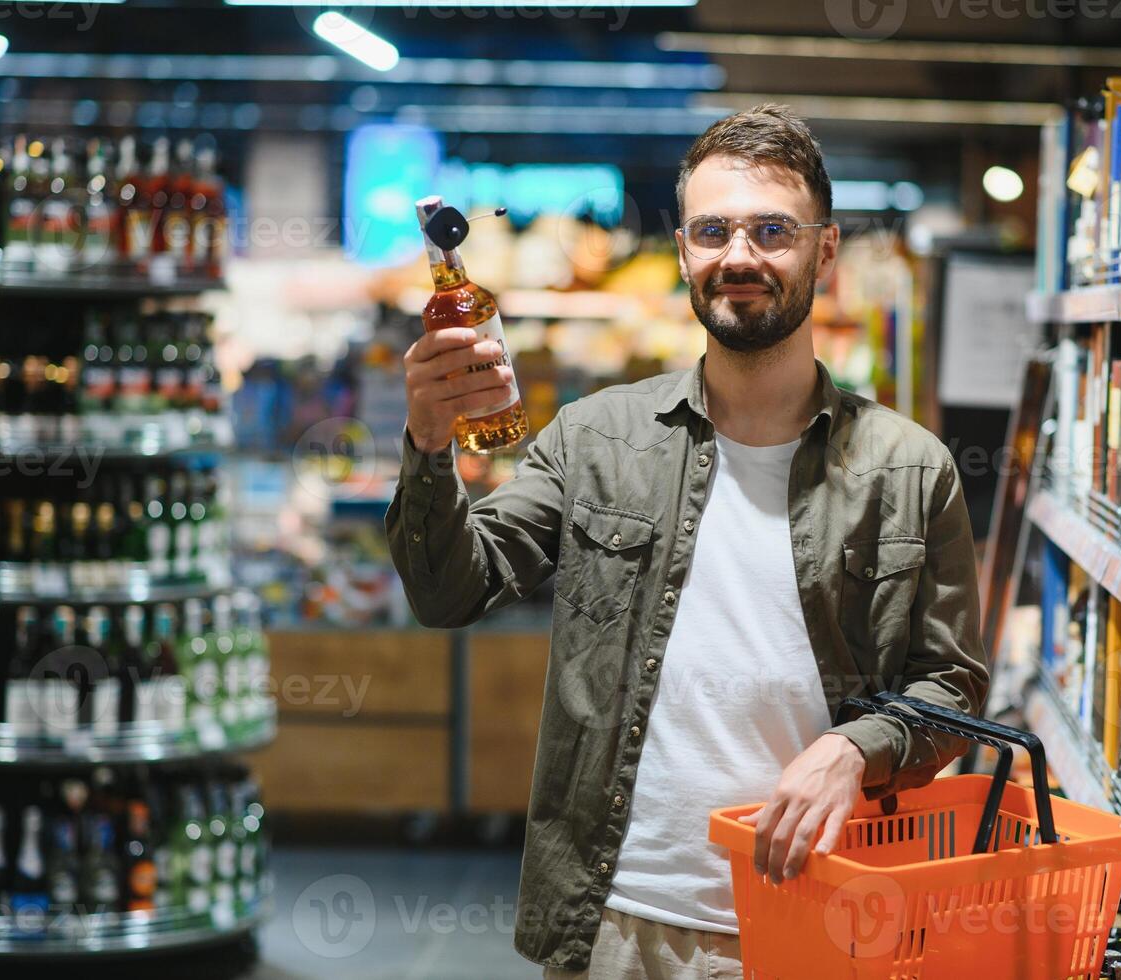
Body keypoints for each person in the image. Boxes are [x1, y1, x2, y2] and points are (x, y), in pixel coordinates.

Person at [387, 103, 988, 979]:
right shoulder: (593, 438)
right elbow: (448, 593)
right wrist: (430, 442)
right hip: (616, 926)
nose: (738, 256)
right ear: (682, 252)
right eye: (713, 231)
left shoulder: (911, 468)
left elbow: (953, 685)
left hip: (823, 920)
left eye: (771, 230)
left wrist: (856, 750)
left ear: (822, 252)